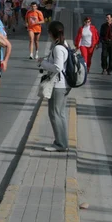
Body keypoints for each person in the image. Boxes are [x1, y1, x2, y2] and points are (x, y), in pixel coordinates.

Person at [37, 21, 70, 152]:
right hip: (63, 84)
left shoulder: (58, 48)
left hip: (58, 85)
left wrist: (43, 63)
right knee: (60, 114)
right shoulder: (64, 44)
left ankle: (60, 144)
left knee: (54, 114)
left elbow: (58, 67)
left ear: (51, 33)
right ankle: (63, 142)